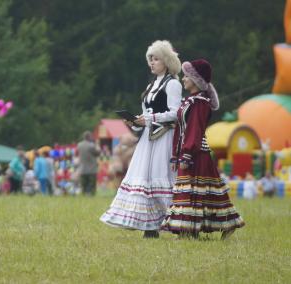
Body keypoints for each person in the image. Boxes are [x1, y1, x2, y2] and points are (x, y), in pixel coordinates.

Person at [100, 40, 182, 238]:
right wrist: (135, 122)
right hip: (148, 138)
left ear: (166, 61)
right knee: (145, 179)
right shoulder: (151, 85)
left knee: (160, 177)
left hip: (164, 137)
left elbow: (175, 113)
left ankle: (177, 224)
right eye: (150, 59)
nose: (152, 63)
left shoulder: (173, 84)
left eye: (156, 59)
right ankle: (150, 227)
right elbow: (146, 114)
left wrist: (150, 118)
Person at [161, 59, 245, 239]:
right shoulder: (189, 101)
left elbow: (195, 130)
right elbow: (180, 129)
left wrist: (186, 154)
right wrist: (176, 155)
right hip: (188, 152)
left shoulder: (200, 103)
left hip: (197, 154)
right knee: (201, 192)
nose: (183, 79)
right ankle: (189, 229)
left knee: (197, 192)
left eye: (186, 76)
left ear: (195, 80)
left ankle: (192, 229)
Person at [77, 131, 101, 196]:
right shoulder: (91, 145)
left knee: (83, 186)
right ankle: (91, 196)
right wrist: (97, 144)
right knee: (92, 186)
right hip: (91, 169)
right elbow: (98, 153)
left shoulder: (79, 145)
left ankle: (83, 196)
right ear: (89, 137)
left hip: (82, 169)